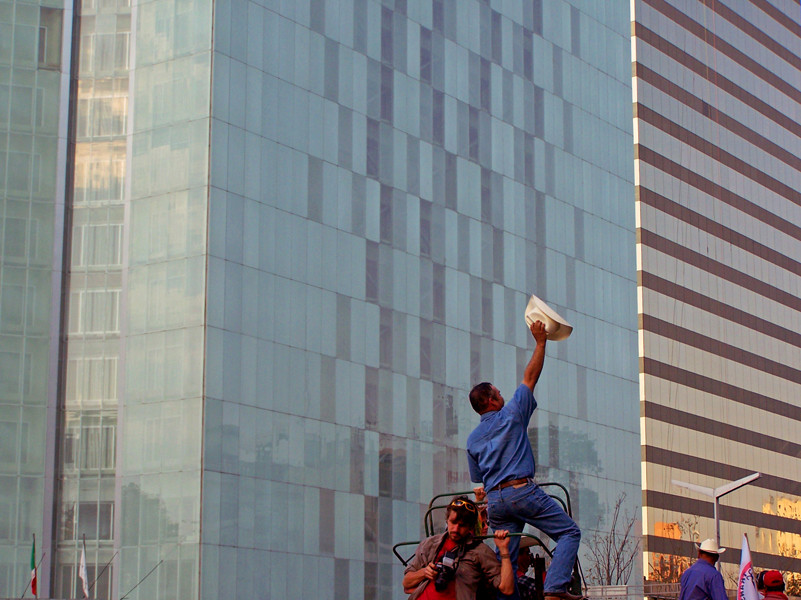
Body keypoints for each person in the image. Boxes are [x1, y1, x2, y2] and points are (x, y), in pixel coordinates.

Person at [467, 320, 582, 600]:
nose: (503, 395)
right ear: (492, 401)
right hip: (521, 491)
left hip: (495, 501)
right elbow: (530, 376)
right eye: (499, 393)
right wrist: (541, 342)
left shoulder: (472, 439)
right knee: (569, 533)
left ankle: (502, 596)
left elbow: (478, 484)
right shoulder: (511, 414)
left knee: (503, 552)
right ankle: (555, 587)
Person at [403, 496, 515, 599]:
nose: (456, 529)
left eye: (462, 525)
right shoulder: (430, 544)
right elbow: (407, 582)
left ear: (470, 526)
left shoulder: (480, 551)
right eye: (453, 522)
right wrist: (424, 572)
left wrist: (504, 550)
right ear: (447, 520)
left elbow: (507, 589)